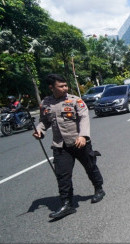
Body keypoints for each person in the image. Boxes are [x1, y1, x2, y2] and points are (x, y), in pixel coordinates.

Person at [33, 74, 105, 219]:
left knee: (90, 167)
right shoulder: (46, 103)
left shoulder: (75, 100)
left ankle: (99, 189)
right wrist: (39, 130)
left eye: (66, 85)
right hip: (60, 145)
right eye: (61, 86)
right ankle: (67, 204)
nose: (65, 88)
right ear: (51, 87)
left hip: (79, 142)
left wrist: (83, 136)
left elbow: (84, 118)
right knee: (62, 175)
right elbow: (44, 121)